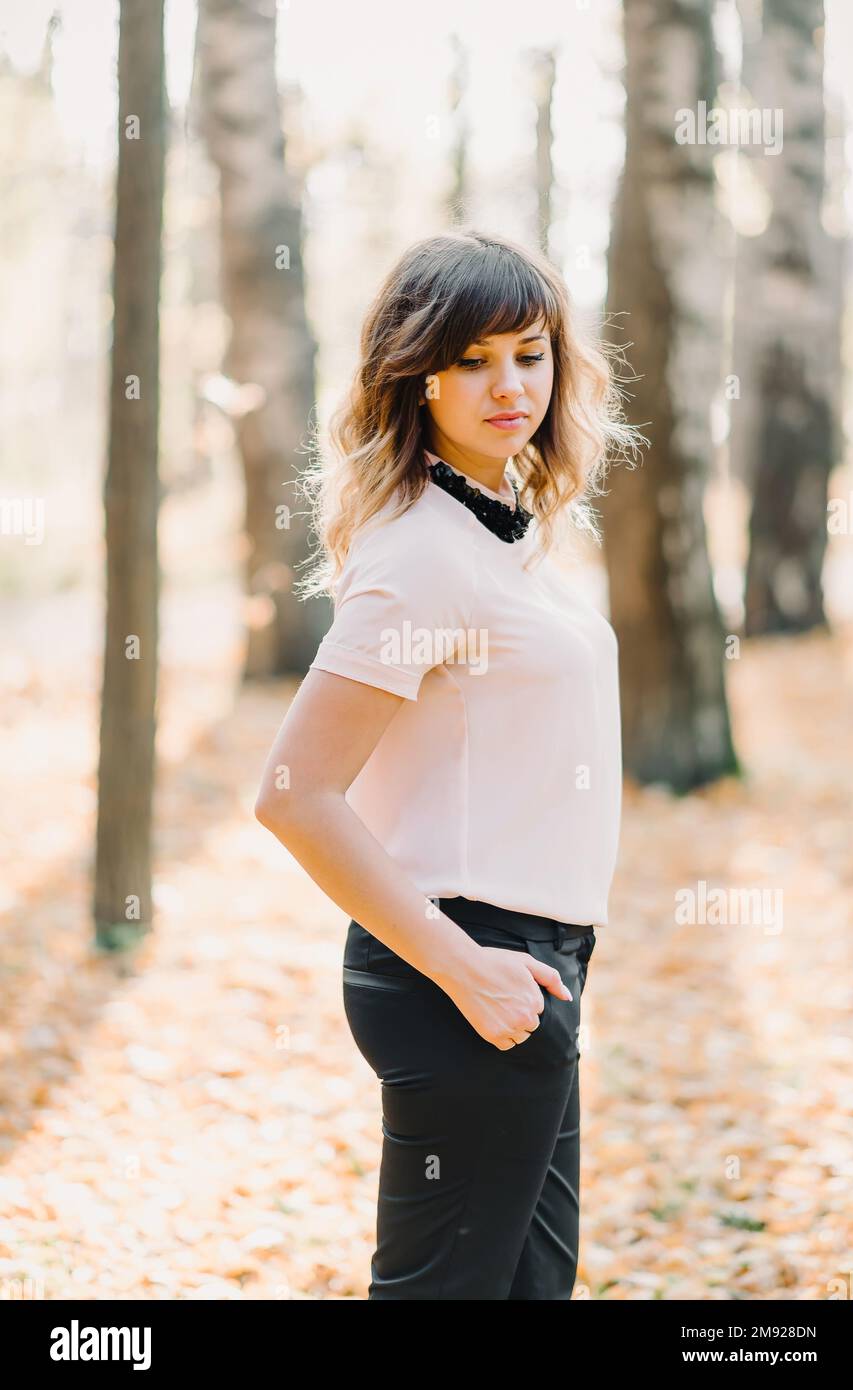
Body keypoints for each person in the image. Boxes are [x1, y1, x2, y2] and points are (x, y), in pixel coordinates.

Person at [254, 228, 642, 1300]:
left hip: (526, 967)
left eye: (528, 350)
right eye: (471, 359)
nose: (507, 382)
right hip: (464, 966)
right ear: (416, 376)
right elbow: (292, 793)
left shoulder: (503, 533)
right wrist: (460, 965)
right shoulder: (425, 554)